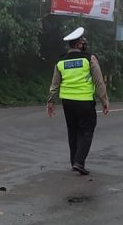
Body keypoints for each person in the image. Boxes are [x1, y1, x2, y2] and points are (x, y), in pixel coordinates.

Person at [46, 27, 110, 176]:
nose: (84, 44)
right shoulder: (89, 59)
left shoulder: (60, 62)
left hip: (67, 103)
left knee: (73, 132)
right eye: (82, 42)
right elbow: (99, 81)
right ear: (79, 45)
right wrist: (104, 100)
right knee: (86, 131)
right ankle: (79, 162)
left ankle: (74, 161)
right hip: (84, 102)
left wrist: (50, 102)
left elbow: (54, 84)